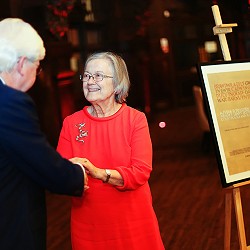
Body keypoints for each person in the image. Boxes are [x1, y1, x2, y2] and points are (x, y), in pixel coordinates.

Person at [57, 51, 165, 249]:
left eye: (98, 76)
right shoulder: (71, 123)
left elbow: (140, 172)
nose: (90, 81)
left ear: (117, 83)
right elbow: (59, 174)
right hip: (89, 227)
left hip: (134, 223)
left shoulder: (135, 119)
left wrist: (99, 173)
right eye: (87, 76)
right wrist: (66, 172)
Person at [0, 18, 88, 250]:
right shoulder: (10, 102)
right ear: (21, 63)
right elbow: (38, 159)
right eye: (37, 66)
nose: (37, 73)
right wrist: (77, 173)